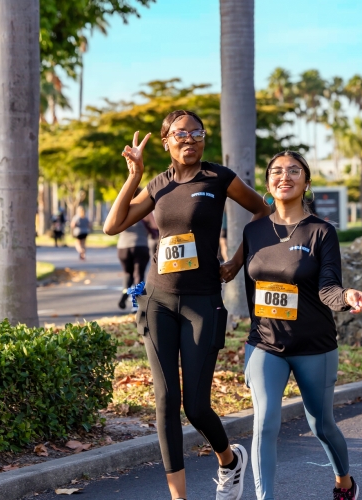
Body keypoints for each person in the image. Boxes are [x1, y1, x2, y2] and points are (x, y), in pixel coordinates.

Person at [103, 110, 270, 500]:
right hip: (158, 300)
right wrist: (134, 176)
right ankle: (179, 497)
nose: (190, 139)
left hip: (202, 302)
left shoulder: (218, 178)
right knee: (165, 402)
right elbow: (112, 226)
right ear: (167, 142)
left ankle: (229, 460)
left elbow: (262, 212)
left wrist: (236, 261)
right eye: (181, 134)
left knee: (196, 406)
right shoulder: (158, 185)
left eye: (197, 133)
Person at [242, 151, 362, 500]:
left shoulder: (321, 231)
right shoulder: (253, 231)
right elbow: (251, 290)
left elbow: (328, 286)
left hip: (314, 344)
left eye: (294, 171)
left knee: (321, 425)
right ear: (268, 183)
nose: (284, 176)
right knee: (264, 423)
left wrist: (346, 296)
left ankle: (344, 482)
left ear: (306, 182)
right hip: (265, 343)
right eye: (276, 171)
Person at [116, 188, 154, 311]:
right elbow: (155, 225)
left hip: (123, 247)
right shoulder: (145, 210)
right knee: (138, 275)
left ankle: (124, 292)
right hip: (140, 245)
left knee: (128, 273)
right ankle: (136, 306)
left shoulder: (122, 209)